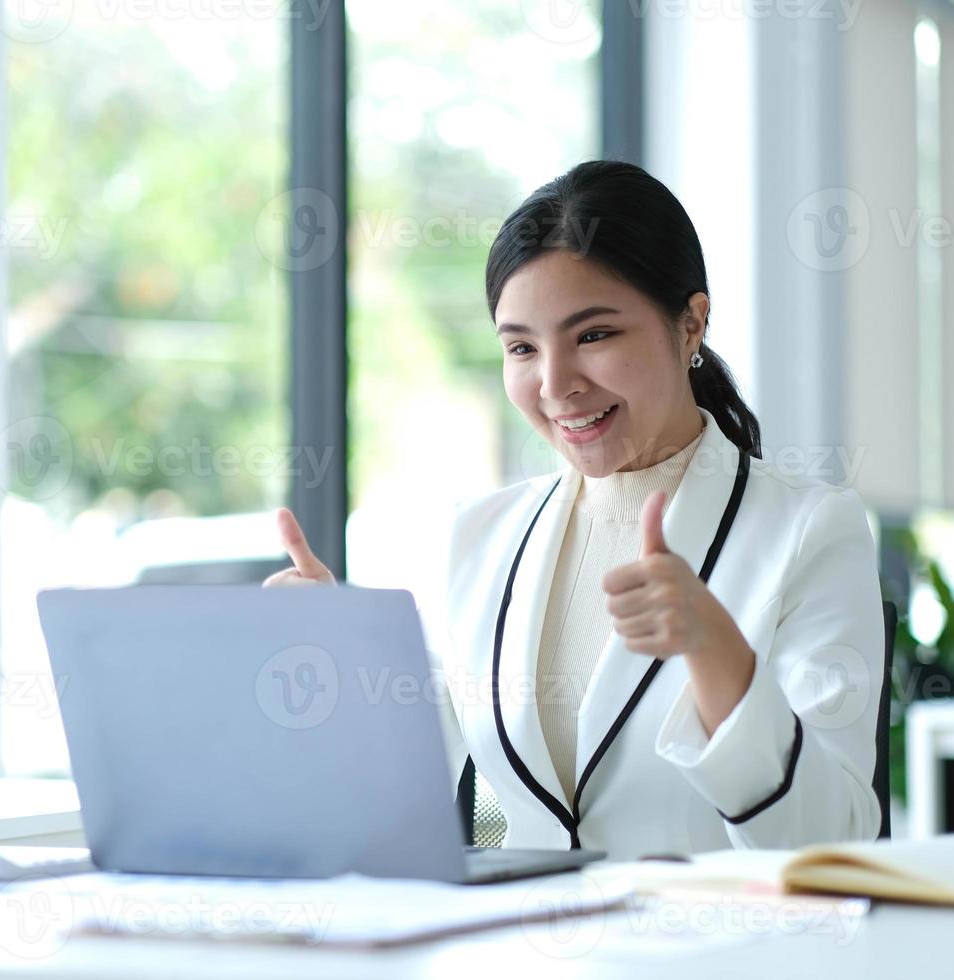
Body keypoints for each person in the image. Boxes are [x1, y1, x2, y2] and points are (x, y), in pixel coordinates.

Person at [265, 160, 883, 858]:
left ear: (690, 325)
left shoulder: (807, 530)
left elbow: (838, 840)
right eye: (522, 347)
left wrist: (717, 653)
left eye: (593, 336)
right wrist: (336, 653)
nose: (556, 385)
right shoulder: (482, 537)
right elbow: (391, 796)